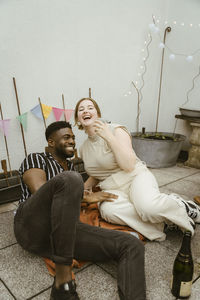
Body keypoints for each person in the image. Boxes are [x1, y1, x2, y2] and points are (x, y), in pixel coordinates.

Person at [14, 121, 146, 300]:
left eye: (74, 138)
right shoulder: (37, 158)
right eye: (66, 137)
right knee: (71, 179)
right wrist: (85, 196)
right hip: (31, 226)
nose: (72, 141)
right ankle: (62, 282)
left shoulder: (70, 167)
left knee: (131, 245)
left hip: (62, 233)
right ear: (51, 142)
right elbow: (40, 191)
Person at [74, 97, 200, 242]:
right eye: (81, 109)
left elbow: (128, 165)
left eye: (90, 107)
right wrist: (81, 191)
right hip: (112, 188)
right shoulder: (83, 148)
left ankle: (181, 205)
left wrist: (109, 137)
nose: (86, 111)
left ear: (97, 114)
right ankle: (166, 223)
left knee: (147, 208)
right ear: (78, 120)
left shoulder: (116, 130)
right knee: (109, 212)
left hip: (135, 177)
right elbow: (96, 174)